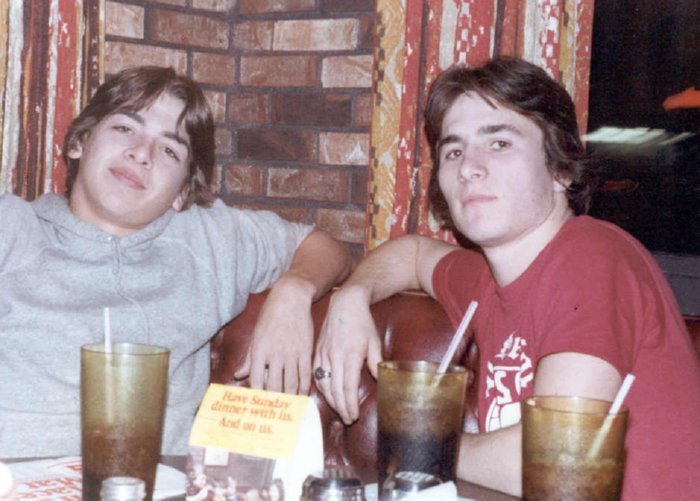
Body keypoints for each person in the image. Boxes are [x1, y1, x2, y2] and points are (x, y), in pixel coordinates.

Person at [312, 57, 700, 499]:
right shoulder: (486, 278)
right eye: (453, 151)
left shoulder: (593, 256)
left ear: (561, 170)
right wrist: (351, 298)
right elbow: (413, 252)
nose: (468, 167)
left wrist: (425, 447)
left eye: (498, 143)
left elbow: (557, 459)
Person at [0, 66, 351, 457]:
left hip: (153, 481)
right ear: (80, 141)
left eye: (169, 150)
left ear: (183, 191)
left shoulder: (208, 239)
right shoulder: (12, 228)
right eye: (124, 128)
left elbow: (324, 248)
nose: (141, 153)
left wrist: (293, 291)